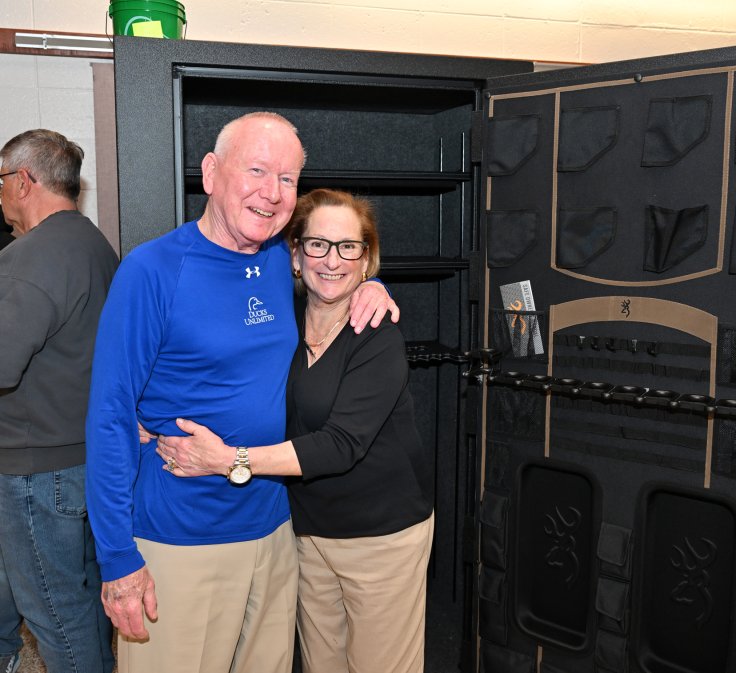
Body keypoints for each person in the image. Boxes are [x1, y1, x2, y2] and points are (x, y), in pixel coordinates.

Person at [85, 113, 398, 673]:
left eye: (286, 178)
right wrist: (116, 559)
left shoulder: (284, 259)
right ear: (210, 173)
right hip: (179, 539)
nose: (271, 193)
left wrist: (372, 282)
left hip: (276, 532)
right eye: (256, 170)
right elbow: (109, 416)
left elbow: (337, 262)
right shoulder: (152, 271)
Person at [156, 188, 434, 673]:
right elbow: (222, 372)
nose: (333, 260)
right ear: (295, 253)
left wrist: (227, 460)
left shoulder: (377, 333)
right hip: (306, 532)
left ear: (366, 257)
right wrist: (151, 419)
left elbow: (341, 446)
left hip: (382, 536)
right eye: (318, 244)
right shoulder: (278, 319)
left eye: (349, 246)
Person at [0, 130, 117, 673]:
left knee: (54, 614)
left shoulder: (29, 257)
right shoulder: (95, 244)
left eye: (0, 181)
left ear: (24, 182)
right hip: (82, 457)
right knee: (82, 596)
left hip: (33, 468)